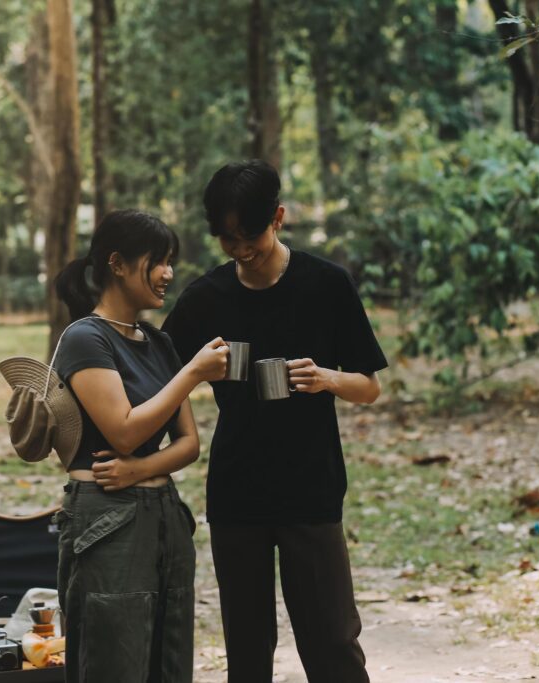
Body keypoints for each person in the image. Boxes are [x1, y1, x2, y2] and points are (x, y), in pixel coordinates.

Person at [162, 160, 386, 683]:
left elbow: (369, 387)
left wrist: (327, 378)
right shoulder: (205, 298)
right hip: (239, 492)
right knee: (246, 645)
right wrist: (195, 379)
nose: (240, 250)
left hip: (312, 487)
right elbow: (161, 374)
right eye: (227, 239)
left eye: (250, 236)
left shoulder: (326, 285)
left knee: (331, 639)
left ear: (278, 218)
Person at [52, 209, 229, 683]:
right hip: (109, 520)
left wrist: (138, 469)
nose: (168, 273)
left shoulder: (157, 341)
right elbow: (124, 431)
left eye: (171, 261)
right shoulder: (85, 339)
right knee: (115, 661)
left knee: (168, 662)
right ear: (117, 263)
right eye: (158, 260)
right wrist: (192, 372)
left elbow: (189, 444)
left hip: (164, 515)